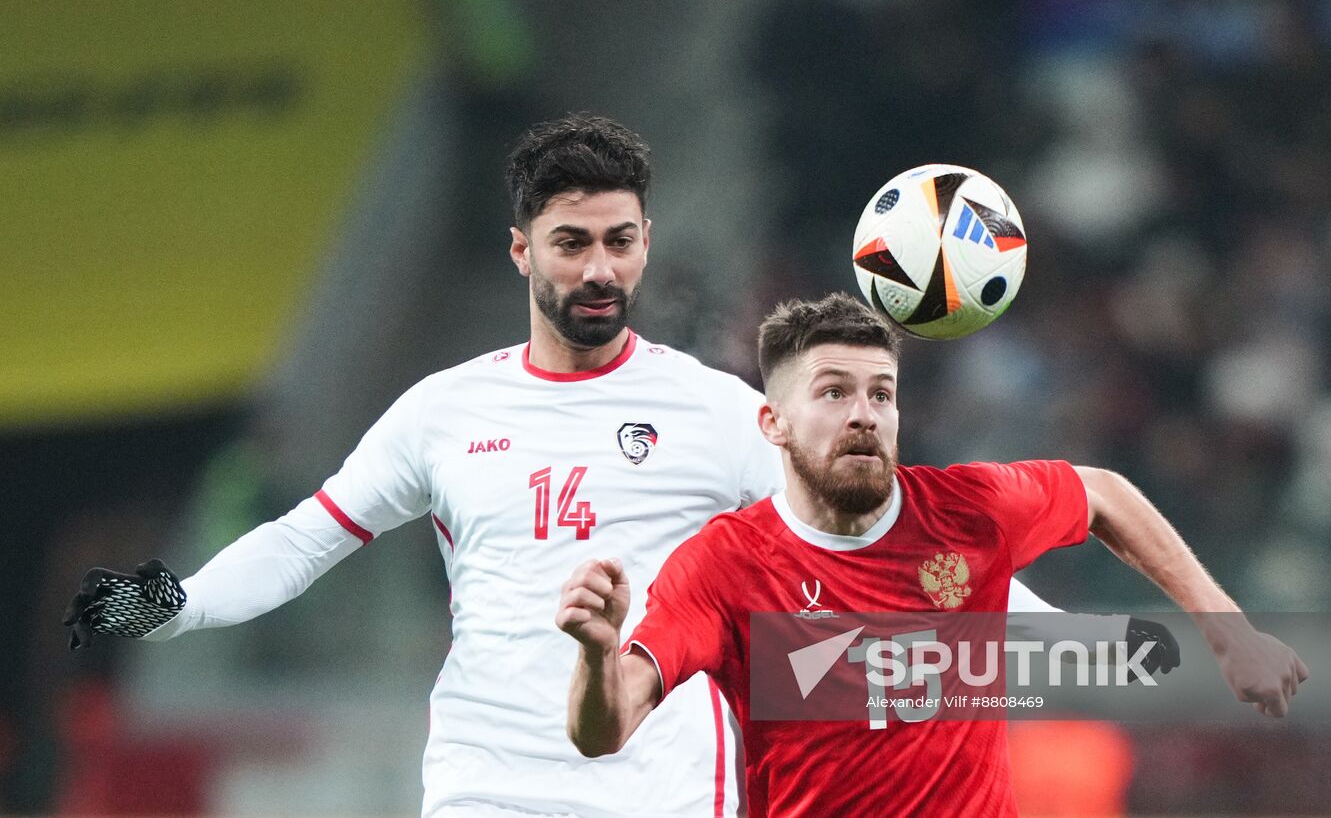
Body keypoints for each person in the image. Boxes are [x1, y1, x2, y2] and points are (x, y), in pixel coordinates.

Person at [63, 115, 1157, 817]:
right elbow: (307, 538)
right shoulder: (444, 412)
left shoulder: (717, 412)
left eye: (621, 241)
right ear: (520, 250)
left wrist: (1074, 647)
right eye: (574, 242)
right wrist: (172, 603)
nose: (601, 267)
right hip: (486, 790)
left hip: (664, 792)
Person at [557, 293, 1307, 817]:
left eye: (881, 393)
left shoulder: (964, 511)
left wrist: (1229, 631)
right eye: (833, 392)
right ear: (774, 424)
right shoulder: (726, 562)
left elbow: (1103, 493)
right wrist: (596, 652)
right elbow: (605, 728)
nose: (863, 414)